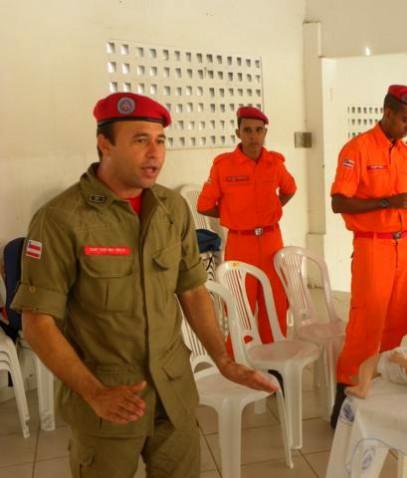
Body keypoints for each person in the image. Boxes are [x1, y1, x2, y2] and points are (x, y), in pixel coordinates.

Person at [11, 93, 276, 478]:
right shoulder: (61, 219)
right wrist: (94, 393)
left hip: (174, 389)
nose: (154, 153)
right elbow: (37, 323)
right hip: (108, 399)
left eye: (160, 140)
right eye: (140, 140)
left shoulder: (171, 209)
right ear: (105, 144)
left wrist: (224, 359)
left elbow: (192, 291)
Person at [329, 84, 407, 427]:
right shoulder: (357, 149)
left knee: (402, 321)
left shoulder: (406, 154)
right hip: (373, 245)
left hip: (405, 242)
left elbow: (402, 201)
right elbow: (339, 202)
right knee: (366, 324)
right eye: (405, 119)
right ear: (387, 112)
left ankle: (386, 395)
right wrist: (387, 202)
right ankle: (344, 401)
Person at [197, 106, 296, 345]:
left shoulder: (274, 163)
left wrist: (274, 208)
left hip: (272, 241)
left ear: (265, 133)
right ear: (238, 133)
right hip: (241, 244)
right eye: (248, 130)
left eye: (258, 130)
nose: (254, 136)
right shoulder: (224, 166)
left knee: (276, 303)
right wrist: (234, 215)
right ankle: (239, 364)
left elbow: (289, 189)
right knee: (240, 306)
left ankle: (275, 362)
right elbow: (204, 205)